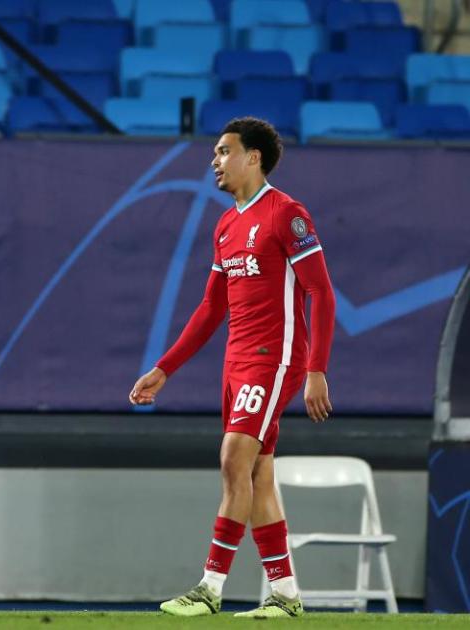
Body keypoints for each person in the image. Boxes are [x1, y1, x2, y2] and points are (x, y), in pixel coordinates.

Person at [129, 117, 337, 619]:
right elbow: (210, 308)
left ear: (254, 157)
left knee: (232, 459)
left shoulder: (286, 214)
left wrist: (315, 368)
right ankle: (285, 595)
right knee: (258, 472)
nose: (215, 162)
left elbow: (320, 292)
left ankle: (210, 587)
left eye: (224, 152)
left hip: (275, 357)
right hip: (237, 362)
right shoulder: (225, 225)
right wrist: (166, 368)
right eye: (214, 154)